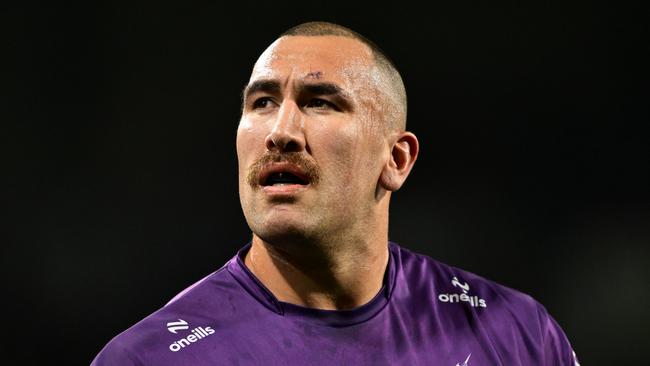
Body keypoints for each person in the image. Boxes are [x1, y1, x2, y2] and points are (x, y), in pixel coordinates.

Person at [91, 21, 580, 365]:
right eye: (262, 102)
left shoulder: (516, 335)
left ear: (397, 160)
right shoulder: (149, 358)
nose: (280, 131)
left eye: (320, 103)